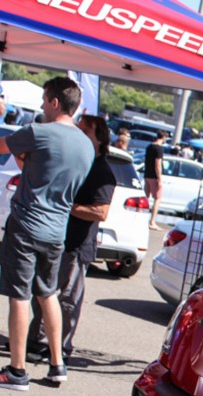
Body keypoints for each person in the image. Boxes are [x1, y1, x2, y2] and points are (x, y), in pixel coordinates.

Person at [0, 76, 95, 390]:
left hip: (27, 224)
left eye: (45, 101)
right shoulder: (86, 145)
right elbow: (44, 171)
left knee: (19, 295)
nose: (43, 106)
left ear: (55, 102)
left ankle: (17, 371)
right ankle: (57, 364)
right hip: (56, 230)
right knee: (48, 294)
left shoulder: (39, 132)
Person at [28, 115, 116, 364]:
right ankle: (35, 341)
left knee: (67, 300)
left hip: (77, 246)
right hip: (54, 238)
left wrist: (67, 206)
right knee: (42, 293)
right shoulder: (76, 160)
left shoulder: (101, 171)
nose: (79, 133)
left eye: (85, 130)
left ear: (99, 138)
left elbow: (101, 212)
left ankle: (60, 348)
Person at [143, 129, 167, 230]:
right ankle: (152, 221)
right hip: (154, 176)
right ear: (164, 137)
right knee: (157, 198)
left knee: (146, 197)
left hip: (147, 174)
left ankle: (142, 218)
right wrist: (159, 179)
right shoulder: (159, 148)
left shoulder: (149, 147)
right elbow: (158, 165)